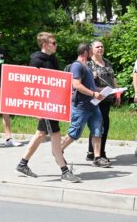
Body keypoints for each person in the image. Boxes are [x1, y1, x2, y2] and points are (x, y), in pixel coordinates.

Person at [15, 32, 80, 182]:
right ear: (45, 45)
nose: (56, 45)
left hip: (53, 104)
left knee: (40, 134)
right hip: (44, 106)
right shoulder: (36, 60)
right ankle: (64, 171)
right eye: (53, 43)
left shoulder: (53, 58)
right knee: (55, 136)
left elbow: (56, 79)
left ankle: (22, 163)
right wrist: (36, 108)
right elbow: (32, 83)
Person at [61, 43, 110, 167]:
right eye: (90, 50)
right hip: (81, 106)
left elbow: (90, 86)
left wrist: (102, 90)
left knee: (98, 130)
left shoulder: (86, 66)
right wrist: (93, 93)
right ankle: (59, 150)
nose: (93, 53)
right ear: (85, 52)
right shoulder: (76, 66)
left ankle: (97, 158)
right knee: (74, 132)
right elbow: (76, 85)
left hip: (93, 105)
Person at [85, 41, 120, 161]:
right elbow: (81, 80)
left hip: (108, 98)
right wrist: (91, 76)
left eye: (102, 46)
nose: (100, 48)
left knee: (101, 124)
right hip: (96, 98)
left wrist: (117, 92)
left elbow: (112, 78)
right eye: (97, 47)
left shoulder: (107, 62)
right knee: (100, 125)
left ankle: (92, 152)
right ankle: (99, 153)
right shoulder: (88, 63)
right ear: (91, 49)